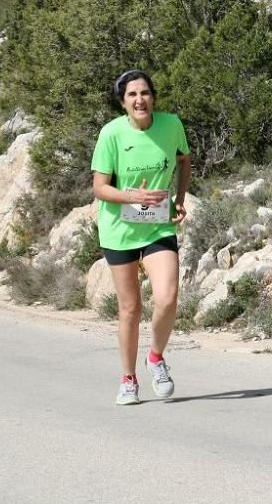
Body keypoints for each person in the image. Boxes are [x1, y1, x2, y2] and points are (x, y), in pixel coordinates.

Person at [91, 70, 192, 406]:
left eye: (145, 93)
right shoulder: (111, 134)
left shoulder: (171, 124)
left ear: (153, 97)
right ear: (123, 102)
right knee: (130, 308)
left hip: (158, 224)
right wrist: (132, 197)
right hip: (119, 230)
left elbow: (184, 158)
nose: (140, 100)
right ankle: (128, 378)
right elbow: (100, 187)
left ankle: (156, 358)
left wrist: (180, 198)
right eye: (132, 95)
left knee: (167, 295)